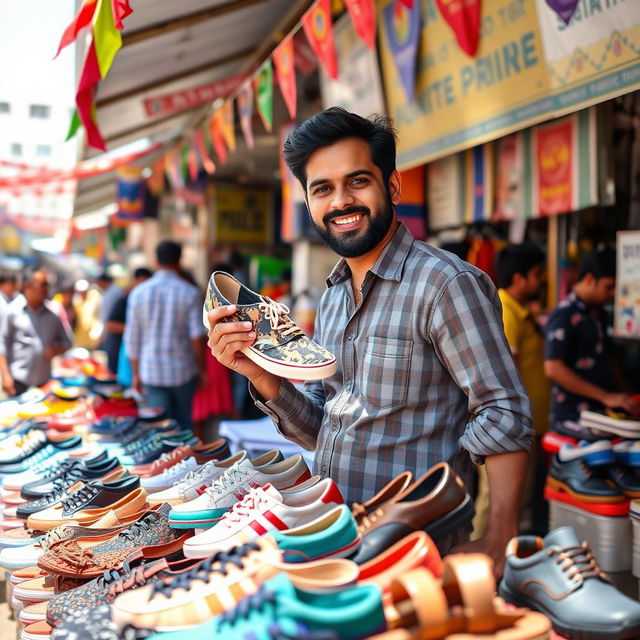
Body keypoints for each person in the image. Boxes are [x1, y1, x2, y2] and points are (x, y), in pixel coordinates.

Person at [206, 108, 532, 572]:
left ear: (392, 187)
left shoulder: (445, 284)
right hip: (332, 536)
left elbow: (503, 411)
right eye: (322, 188)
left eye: (357, 181)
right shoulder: (333, 297)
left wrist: (499, 540)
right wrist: (259, 373)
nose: (341, 201)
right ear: (309, 202)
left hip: (414, 551)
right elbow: (323, 427)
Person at [473, 243, 550, 538]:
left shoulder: (521, 313)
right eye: (538, 274)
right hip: (507, 429)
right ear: (519, 279)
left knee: (512, 504)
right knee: (495, 504)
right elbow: (501, 377)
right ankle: (479, 571)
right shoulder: (506, 312)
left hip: (522, 429)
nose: (543, 280)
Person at [545, 248, 639, 437]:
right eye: (609, 287)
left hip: (603, 412)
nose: (613, 294)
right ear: (589, 279)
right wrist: (605, 396)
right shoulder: (564, 314)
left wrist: (626, 396)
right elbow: (553, 368)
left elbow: (609, 360)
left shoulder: (600, 315)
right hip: (573, 417)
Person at [124, 241, 205, 431]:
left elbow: (132, 338)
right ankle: (186, 459)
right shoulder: (190, 293)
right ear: (179, 261)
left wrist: (135, 373)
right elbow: (196, 337)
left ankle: (165, 460)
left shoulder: (139, 293)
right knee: (185, 424)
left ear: (156, 260)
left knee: (161, 427)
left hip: (151, 371)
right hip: (183, 371)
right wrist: (201, 369)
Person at [0, 269, 72, 396]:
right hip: (18, 381)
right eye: (42, 284)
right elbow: (2, 344)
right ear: (27, 286)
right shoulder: (12, 311)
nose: (46, 289)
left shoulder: (53, 315)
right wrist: (5, 376)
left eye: (47, 285)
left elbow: (68, 342)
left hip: (43, 382)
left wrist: (56, 350)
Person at [102, 268, 152, 374]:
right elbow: (111, 325)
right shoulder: (126, 299)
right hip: (119, 353)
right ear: (136, 281)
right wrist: (137, 329)